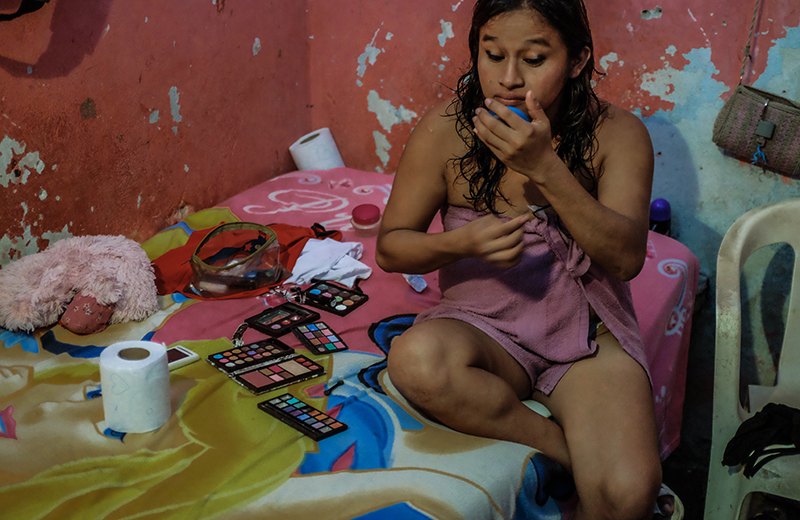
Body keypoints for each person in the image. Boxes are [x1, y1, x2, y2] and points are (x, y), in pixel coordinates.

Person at [375, 1, 677, 519]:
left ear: (577, 60)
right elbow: (391, 246)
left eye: (534, 59)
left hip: (586, 337)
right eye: (492, 55)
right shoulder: (446, 130)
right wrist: (462, 244)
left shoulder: (617, 134)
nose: (509, 79)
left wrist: (546, 168)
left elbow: (626, 259)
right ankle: (562, 451)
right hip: (484, 327)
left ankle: (597, 464)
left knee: (628, 494)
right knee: (416, 360)